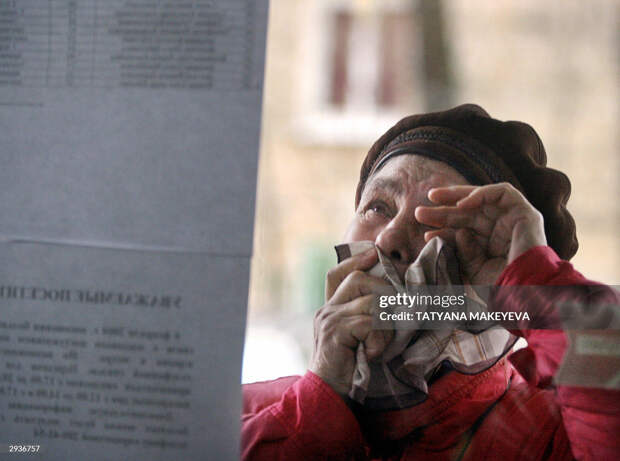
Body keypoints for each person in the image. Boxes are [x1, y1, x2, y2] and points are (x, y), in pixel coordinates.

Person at [241, 104, 619, 460]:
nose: (389, 238)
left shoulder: (555, 436)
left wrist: (535, 285)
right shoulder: (245, 417)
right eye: (378, 207)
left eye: (438, 221)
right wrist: (319, 408)